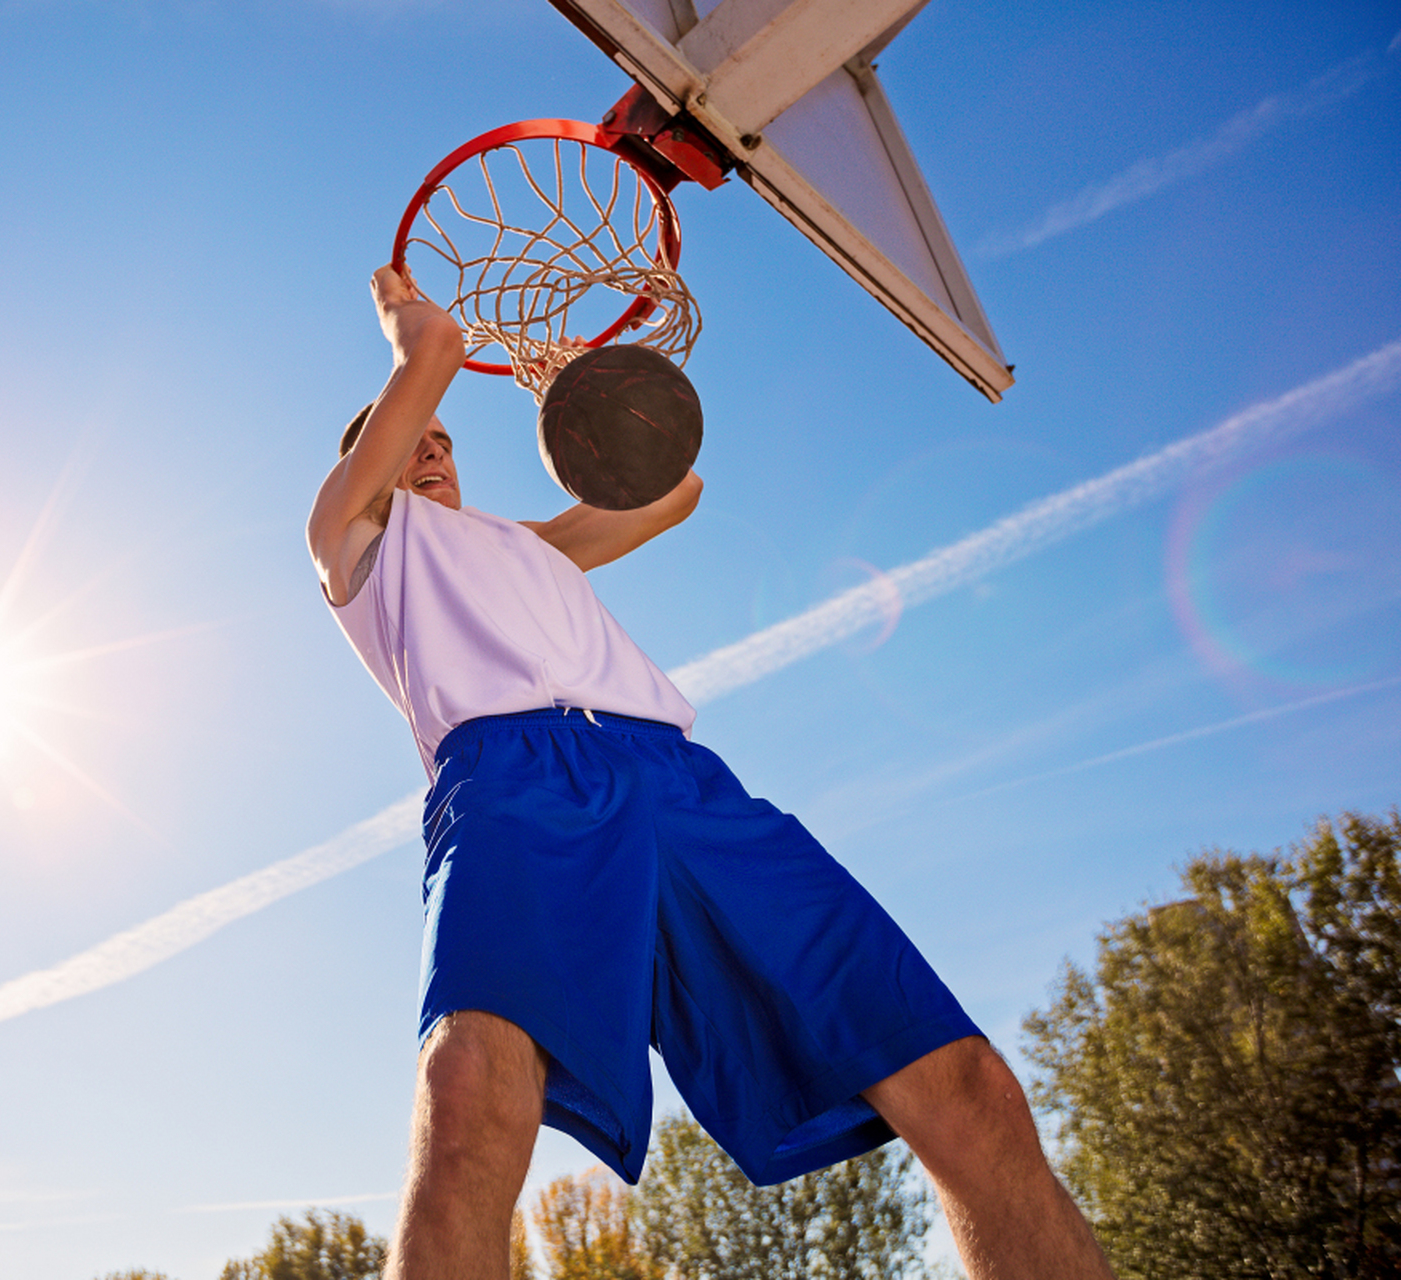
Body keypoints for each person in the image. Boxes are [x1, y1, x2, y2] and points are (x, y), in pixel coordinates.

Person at [307, 264, 1116, 1280]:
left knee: (969, 1084)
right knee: (471, 1088)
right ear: (367, 461)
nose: (432, 448)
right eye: (409, 437)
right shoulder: (351, 541)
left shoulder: (533, 544)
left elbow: (675, 490)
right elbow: (429, 358)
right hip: (516, 784)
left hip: (678, 779)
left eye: (444, 441)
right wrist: (406, 328)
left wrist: (581, 389)